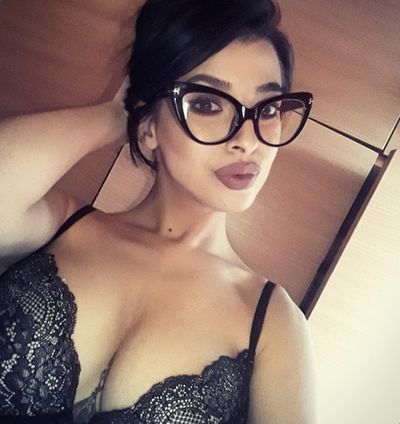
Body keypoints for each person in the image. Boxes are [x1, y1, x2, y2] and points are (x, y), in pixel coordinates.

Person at [0, 0, 316, 422]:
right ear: (149, 126)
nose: (247, 139)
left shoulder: (273, 323)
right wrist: (117, 116)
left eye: (268, 108)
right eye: (207, 104)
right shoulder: (61, 226)